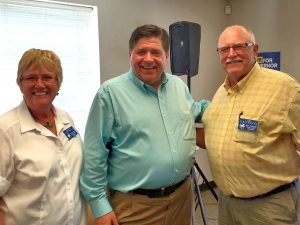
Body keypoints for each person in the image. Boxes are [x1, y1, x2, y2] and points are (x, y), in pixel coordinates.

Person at [80, 24, 209, 225]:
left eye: (155, 52)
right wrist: (100, 206)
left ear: (166, 56)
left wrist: (230, 105)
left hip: (182, 199)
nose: (148, 58)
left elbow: (195, 110)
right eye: (141, 52)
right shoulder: (110, 94)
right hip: (136, 208)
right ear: (131, 54)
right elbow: (94, 153)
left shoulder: (178, 86)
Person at [200, 25, 300, 225]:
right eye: (224, 49)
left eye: (239, 46)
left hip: (268, 207)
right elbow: (217, 138)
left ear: (255, 50)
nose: (231, 54)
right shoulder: (221, 92)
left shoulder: (285, 88)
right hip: (226, 204)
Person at [0, 48, 87, 225]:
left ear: (58, 83)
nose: (40, 85)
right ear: (20, 83)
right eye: (31, 78)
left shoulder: (66, 119)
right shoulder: (6, 129)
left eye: (47, 77)